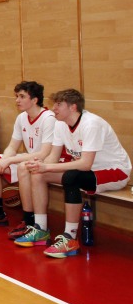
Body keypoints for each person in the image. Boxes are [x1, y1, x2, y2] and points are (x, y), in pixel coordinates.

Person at [16, 89, 131, 258]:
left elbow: (85, 164)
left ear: (73, 107)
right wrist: (40, 166)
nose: (54, 108)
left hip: (115, 172)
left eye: (59, 104)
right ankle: (40, 229)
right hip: (87, 171)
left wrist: (47, 167)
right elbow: (53, 157)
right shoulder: (60, 124)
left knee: (71, 177)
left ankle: (70, 238)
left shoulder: (91, 124)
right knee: (38, 174)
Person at [0, 81, 55, 231]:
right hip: (28, 159)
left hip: (45, 162)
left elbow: (44, 153)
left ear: (34, 100)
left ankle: (29, 220)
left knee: (23, 167)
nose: (17, 100)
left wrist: (10, 160)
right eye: (17, 96)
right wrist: (4, 160)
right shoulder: (22, 117)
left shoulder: (48, 118)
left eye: (22, 96)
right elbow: (12, 146)